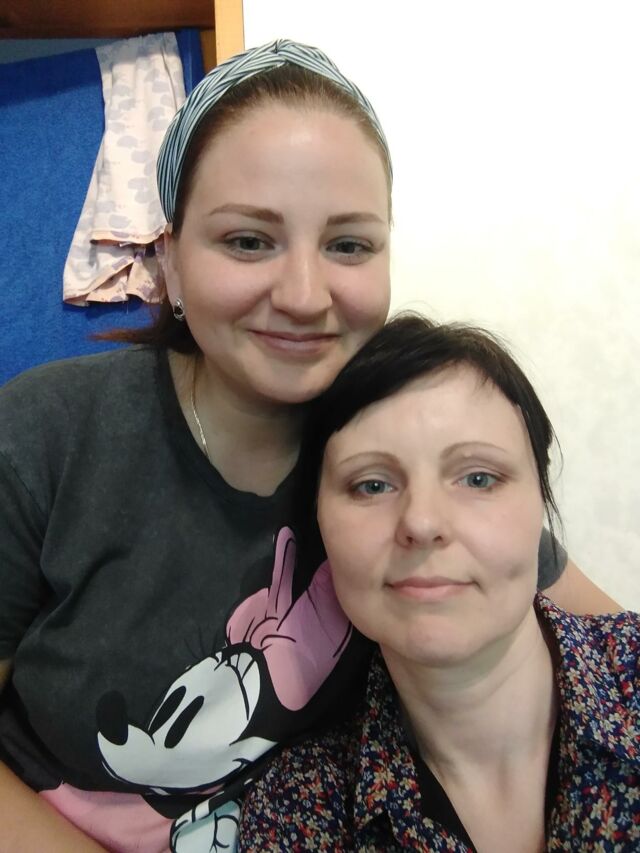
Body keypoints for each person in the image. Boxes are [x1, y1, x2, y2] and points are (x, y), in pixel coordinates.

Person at [0, 39, 617, 853]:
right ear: (172, 263)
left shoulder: (394, 451)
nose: (302, 295)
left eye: (348, 244)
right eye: (248, 241)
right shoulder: (46, 434)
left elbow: (597, 635)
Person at [238, 314, 640, 852]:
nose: (422, 523)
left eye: (478, 478)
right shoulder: (299, 809)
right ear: (319, 524)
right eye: (372, 485)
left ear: (540, 502)